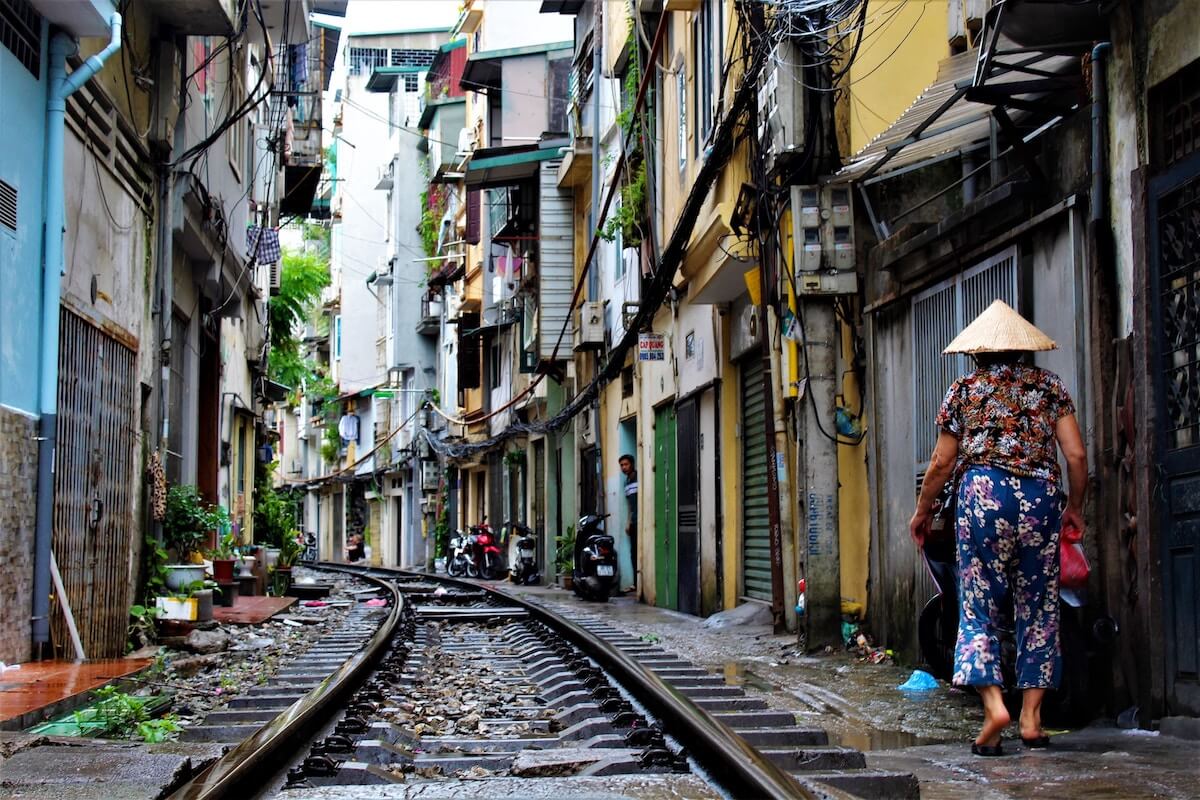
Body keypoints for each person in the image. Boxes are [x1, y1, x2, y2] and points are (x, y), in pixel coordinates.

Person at [909, 300, 1087, 757]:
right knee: (1039, 605)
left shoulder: (965, 389)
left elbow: (942, 461)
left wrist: (923, 510)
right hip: (1041, 501)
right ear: (1023, 350)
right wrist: (1076, 508)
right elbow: (1076, 457)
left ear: (978, 352)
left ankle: (993, 708)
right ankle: (1031, 718)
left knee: (979, 602)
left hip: (984, 498)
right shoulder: (1049, 386)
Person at [618, 454, 638, 591]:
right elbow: (630, 505)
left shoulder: (639, 477)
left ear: (632, 464)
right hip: (634, 521)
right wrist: (628, 521)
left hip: (642, 521)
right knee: (633, 552)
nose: (624, 467)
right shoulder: (627, 482)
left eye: (626, 464)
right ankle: (636, 583)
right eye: (621, 465)